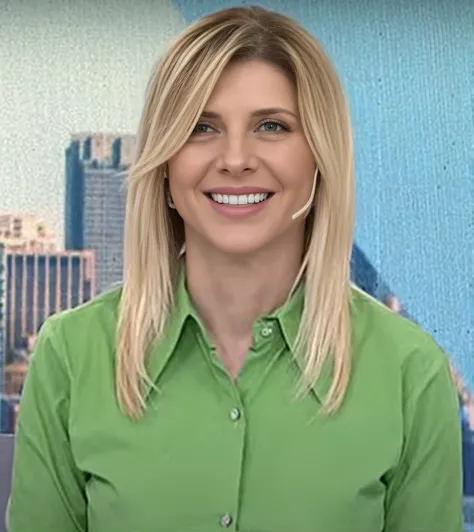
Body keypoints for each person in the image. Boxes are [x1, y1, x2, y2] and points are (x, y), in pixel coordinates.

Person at [8, 6, 463, 532]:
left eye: (272, 126)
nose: (236, 158)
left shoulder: (411, 373)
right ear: (165, 160)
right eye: (201, 127)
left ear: (320, 156)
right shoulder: (70, 356)